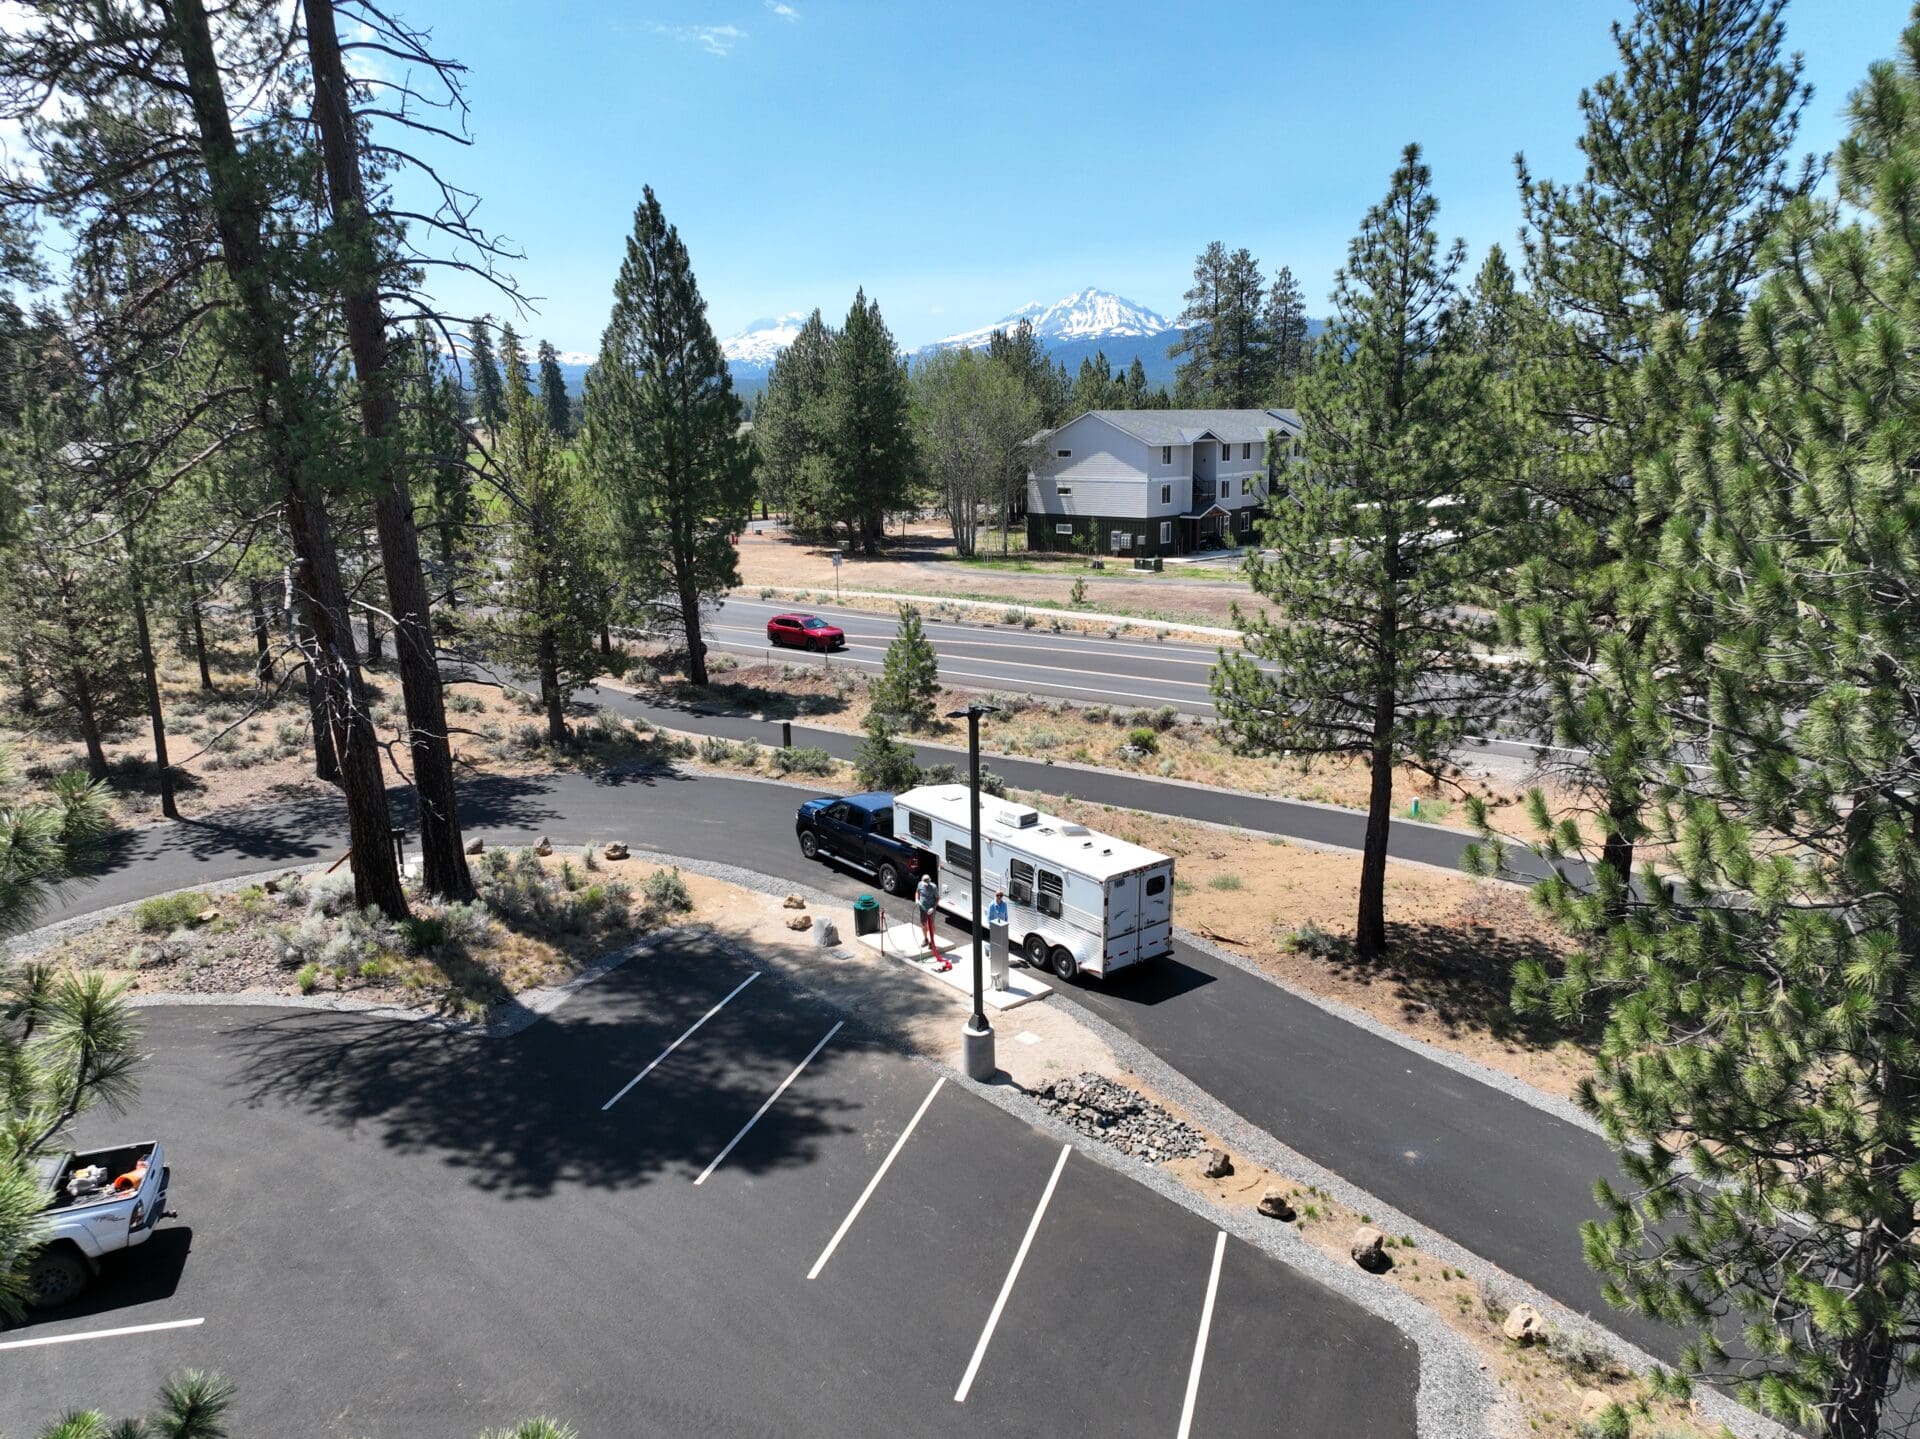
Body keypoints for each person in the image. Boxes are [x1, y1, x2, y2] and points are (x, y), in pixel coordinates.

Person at [916, 873, 950, 971]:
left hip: (931, 909)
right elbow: (917, 892)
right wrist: (917, 900)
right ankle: (925, 939)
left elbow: (937, 898)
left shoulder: (934, 887)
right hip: (922, 908)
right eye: (924, 883)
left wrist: (933, 907)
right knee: (923, 923)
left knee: (931, 924)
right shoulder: (920, 884)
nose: (925, 885)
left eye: (927, 883)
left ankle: (931, 941)